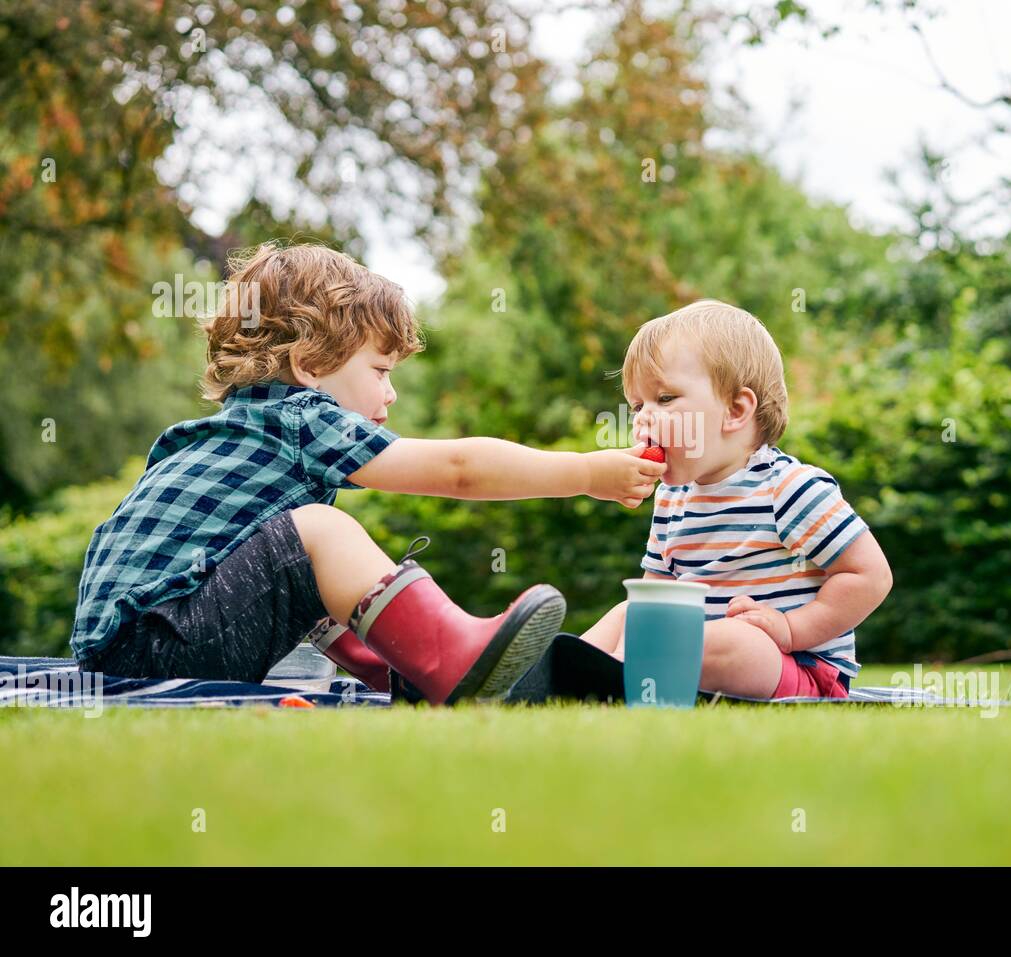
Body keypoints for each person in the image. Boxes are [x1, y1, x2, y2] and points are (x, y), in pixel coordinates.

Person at [71, 242, 665, 704]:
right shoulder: (303, 418)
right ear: (307, 366)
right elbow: (458, 469)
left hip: (121, 655)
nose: (392, 390)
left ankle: (419, 673)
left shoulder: (225, 436)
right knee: (320, 532)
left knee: (314, 552)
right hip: (158, 645)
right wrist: (589, 472)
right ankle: (452, 656)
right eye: (380, 369)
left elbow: (302, 597)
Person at [579, 300, 892, 698]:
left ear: (736, 410)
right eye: (638, 405)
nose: (641, 418)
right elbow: (656, 595)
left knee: (739, 640)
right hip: (695, 658)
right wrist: (639, 623)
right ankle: (560, 670)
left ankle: (616, 677)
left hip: (796, 666)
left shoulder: (790, 487)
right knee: (631, 612)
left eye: (666, 399)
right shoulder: (672, 498)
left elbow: (870, 576)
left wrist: (792, 629)